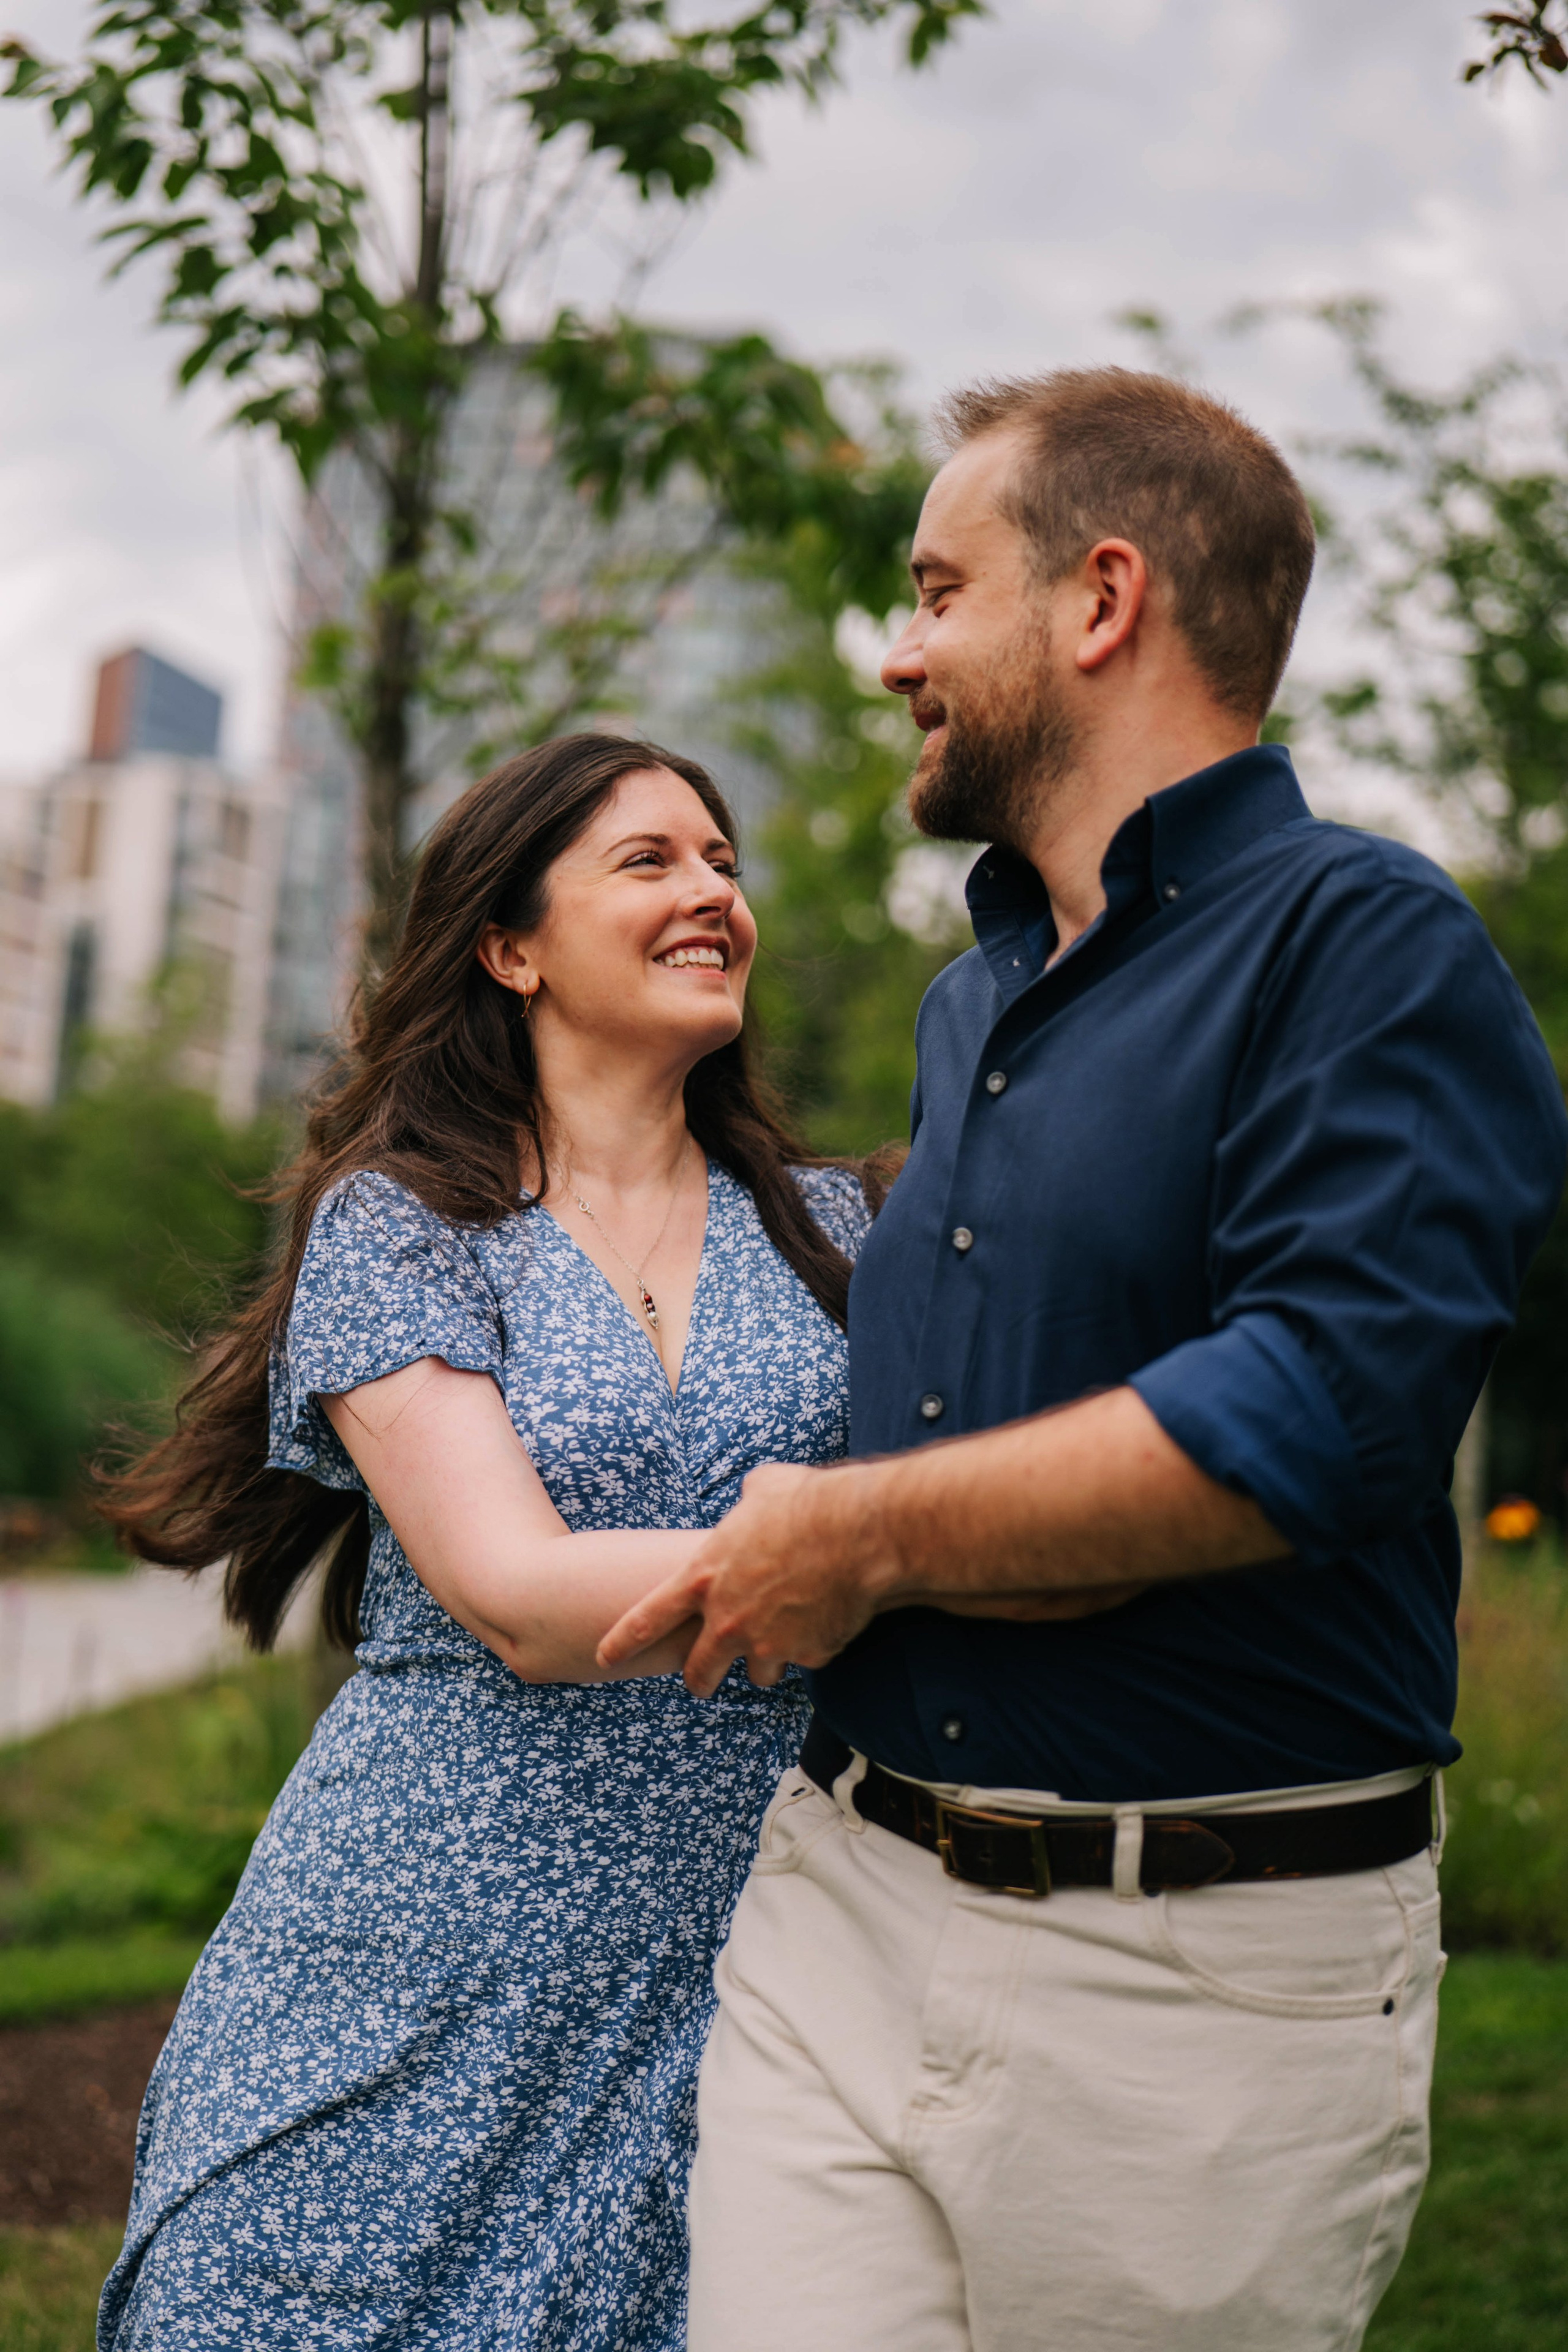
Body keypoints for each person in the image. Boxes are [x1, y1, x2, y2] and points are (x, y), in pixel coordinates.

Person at [600, 369, 1568, 2352]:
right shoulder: (975, 1005)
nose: (899, 653)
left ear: (1102, 597)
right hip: (840, 1916)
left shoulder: (1365, 944)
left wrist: (859, 1537)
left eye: (942, 588)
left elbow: (1308, 1420)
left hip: (1197, 2001)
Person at [95, 733, 878, 2350]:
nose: (712, 891)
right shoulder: (409, 1223)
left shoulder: (838, 1234)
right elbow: (515, 1595)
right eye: (650, 861)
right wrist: (878, 1557)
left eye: (723, 860)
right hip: (399, 1973)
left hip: (717, 1996)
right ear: (510, 948)